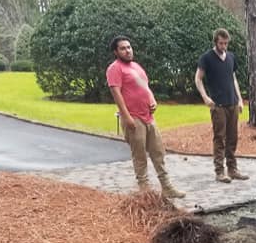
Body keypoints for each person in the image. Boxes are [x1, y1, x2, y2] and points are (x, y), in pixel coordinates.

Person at [105, 36, 185, 199]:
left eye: (129, 47)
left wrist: (152, 99)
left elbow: (145, 86)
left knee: (158, 152)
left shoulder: (136, 66)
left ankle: (167, 186)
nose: (128, 50)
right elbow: (116, 93)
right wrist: (126, 117)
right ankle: (145, 190)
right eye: (123, 48)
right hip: (133, 118)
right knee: (140, 155)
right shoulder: (115, 68)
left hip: (148, 117)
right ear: (116, 52)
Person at [194, 29, 248, 184]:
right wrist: (205, 97)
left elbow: (234, 78)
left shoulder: (231, 57)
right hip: (217, 105)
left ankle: (233, 169)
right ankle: (219, 171)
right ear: (215, 42)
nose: (224, 46)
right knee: (220, 138)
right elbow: (198, 78)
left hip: (232, 103)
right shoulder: (206, 58)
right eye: (221, 43)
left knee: (233, 138)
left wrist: (239, 99)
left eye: (226, 43)